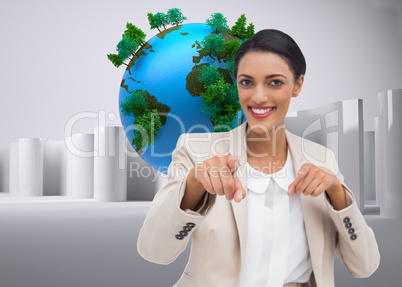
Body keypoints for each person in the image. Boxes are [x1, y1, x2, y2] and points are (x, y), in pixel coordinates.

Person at [137, 29, 380, 287]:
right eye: (247, 82)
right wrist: (195, 185)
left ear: (297, 85)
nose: (259, 97)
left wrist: (337, 195)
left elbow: (364, 266)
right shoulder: (197, 151)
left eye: (275, 82)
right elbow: (154, 252)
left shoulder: (321, 159)